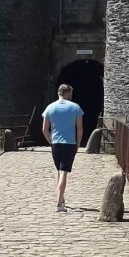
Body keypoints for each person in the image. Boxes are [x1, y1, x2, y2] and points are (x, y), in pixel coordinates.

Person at [41, 84, 84, 212]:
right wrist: (78, 143)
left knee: (59, 171)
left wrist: (50, 141)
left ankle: (62, 198)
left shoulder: (50, 107)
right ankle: (59, 203)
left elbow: (44, 129)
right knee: (64, 172)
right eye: (70, 94)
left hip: (55, 144)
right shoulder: (75, 107)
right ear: (67, 93)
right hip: (69, 143)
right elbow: (80, 128)